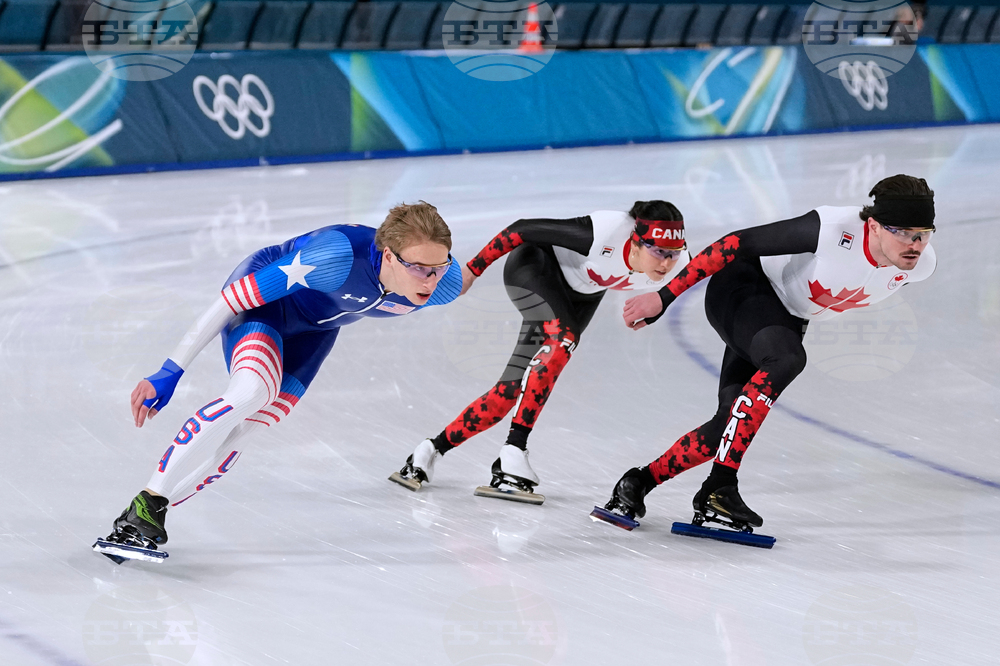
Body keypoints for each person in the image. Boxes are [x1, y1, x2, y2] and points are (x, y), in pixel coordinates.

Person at [95, 202, 464, 562]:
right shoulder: (336, 256)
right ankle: (151, 495)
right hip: (266, 306)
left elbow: (464, 278)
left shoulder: (444, 284)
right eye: (418, 268)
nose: (431, 279)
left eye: (439, 266)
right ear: (387, 256)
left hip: (316, 332)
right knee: (253, 391)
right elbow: (230, 300)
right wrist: (170, 371)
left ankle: (143, 516)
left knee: (250, 428)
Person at [599, 174, 937, 531]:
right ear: (873, 225)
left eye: (923, 234)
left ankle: (637, 482)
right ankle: (721, 486)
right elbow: (736, 243)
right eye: (902, 232)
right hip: (743, 285)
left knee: (728, 426)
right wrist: (664, 296)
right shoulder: (833, 229)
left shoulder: (920, 265)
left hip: (784, 315)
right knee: (787, 360)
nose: (914, 244)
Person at [390, 201, 690, 502]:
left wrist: (658, 305)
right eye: (657, 252)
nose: (665, 264)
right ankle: (514, 449)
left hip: (581, 295)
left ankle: (429, 451)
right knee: (564, 339)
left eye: (672, 254)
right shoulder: (604, 233)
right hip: (535, 267)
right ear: (635, 243)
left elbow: (701, 276)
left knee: (510, 391)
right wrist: (472, 270)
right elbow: (522, 229)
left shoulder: (680, 262)